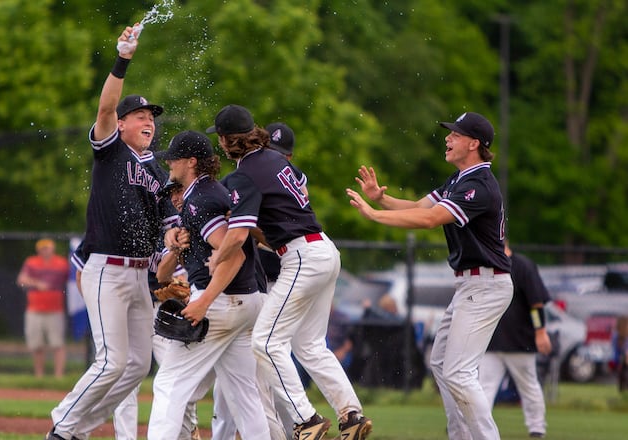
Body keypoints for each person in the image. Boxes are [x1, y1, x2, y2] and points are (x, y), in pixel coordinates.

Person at [195, 105, 372, 440]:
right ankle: (351, 414)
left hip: (301, 257)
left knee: (265, 342)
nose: (219, 143)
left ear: (228, 139)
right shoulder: (277, 160)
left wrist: (217, 259)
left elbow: (239, 234)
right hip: (323, 249)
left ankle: (306, 419)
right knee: (310, 344)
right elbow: (279, 215)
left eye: (220, 137)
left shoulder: (243, 174)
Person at [46, 23, 178, 440]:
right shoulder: (111, 151)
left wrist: (175, 255)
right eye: (139, 115)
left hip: (140, 275)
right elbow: (105, 109)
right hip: (105, 268)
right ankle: (63, 427)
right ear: (121, 125)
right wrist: (123, 59)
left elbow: (167, 226)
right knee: (111, 361)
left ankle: (73, 425)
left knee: (137, 365)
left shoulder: (157, 169)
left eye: (151, 117)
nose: (148, 121)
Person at [346, 111, 513, 439]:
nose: (448, 138)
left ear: (474, 143)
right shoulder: (460, 179)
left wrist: (374, 215)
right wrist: (382, 199)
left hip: (486, 284)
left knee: (459, 373)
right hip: (472, 284)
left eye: (455, 134)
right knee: (441, 363)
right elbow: (422, 207)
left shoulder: (478, 184)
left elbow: (429, 220)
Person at [148, 130, 270, 439]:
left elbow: (233, 256)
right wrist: (175, 243)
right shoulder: (208, 193)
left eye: (174, 159)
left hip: (221, 301)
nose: (170, 165)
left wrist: (203, 302)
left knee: (168, 384)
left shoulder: (199, 200)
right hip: (246, 302)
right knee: (245, 396)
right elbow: (166, 272)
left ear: (191, 162)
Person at [479, 243, 552, 438]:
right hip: (491, 341)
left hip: (520, 341)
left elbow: (535, 304)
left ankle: (537, 427)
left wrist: (540, 332)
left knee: (528, 385)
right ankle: (475, 427)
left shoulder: (522, 266)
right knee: (484, 387)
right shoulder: (486, 265)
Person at [16, 238, 70, 378]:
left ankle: (59, 376)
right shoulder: (32, 262)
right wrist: (37, 283)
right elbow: (21, 279)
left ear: (53, 248)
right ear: (38, 250)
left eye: (48, 248)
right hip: (35, 309)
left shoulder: (61, 263)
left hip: (55, 309)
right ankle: (39, 375)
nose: (46, 251)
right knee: (37, 345)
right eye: (43, 248)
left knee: (57, 344)